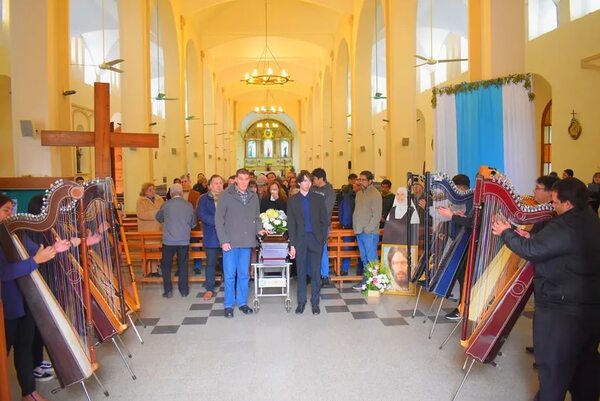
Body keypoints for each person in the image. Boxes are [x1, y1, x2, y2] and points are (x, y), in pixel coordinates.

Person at [492, 178, 600, 401]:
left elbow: (531, 251)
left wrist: (506, 232)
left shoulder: (565, 225)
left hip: (561, 308)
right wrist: (531, 237)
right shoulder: (589, 216)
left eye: (554, 202)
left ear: (567, 204)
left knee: (553, 366)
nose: (552, 206)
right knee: (585, 362)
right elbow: (559, 245)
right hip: (590, 304)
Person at [1, 194, 70, 401]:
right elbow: (3, 273)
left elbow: (36, 252)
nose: (11, 213)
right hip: (8, 303)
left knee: (24, 347)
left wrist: (55, 249)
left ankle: (29, 392)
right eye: (6, 210)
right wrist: (35, 261)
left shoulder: (13, 232)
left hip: (26, 298)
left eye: (11, 209)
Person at [215, 168, 266, 318]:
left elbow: (256, 217)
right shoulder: (226, 195)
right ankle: (229, 305)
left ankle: (242, 302)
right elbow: (219, 220)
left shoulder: (253, 196)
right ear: (236, 179)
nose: (244, 182)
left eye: (246, 179)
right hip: (230, 242)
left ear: (249, 180)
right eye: (241, 179)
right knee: (230, 275)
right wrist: (223, 240)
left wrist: (259, 230)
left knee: (244, 274)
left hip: (246, 241)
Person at [287, 170, 329, 315]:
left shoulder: (318, 198)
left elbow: (325, 221)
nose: (308, 183)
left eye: (309, 180)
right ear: (299, 183)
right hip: (300, 239)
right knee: (301, 271)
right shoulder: (292, 200)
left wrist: (322, 239)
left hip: (316, 239)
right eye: (305, 180)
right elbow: (291, 224)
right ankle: (301, 302)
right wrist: (292, 244)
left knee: (316, 272)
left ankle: (315, 302)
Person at [155, 183, 197, 298]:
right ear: (182, 193)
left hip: (168, 241)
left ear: (171, 193)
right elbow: (193, 223)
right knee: (183, 265)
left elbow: (159, 218)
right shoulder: (188, 205)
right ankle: (184, 290)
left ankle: (168, 290)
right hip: (183, 240)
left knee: (166, 265)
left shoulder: (166, 204)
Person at [352, 171, 382, 291]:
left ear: (370, 181)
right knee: (364, 258)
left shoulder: (375, 194)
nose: (361, 181)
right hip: (359, 231)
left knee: (371, 259)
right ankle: (366, 281)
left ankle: (375, 284)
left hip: (370, 233)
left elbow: (377, 215)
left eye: (364, 179)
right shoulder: (359, 194)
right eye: (360, 179)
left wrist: (368, 229)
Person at [197, 175, 224, 300]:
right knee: (211, 264)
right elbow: (202, 214)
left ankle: (231, 287)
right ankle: (209, 289)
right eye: (216, 183)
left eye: (220, 183)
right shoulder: (203, 199)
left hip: (226, 236)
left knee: (228, 263)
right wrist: (218, 222)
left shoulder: (227, 198)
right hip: (212, 236)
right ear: (210, 185)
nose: (218, 185)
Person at [310, 168, 335, 288]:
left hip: (322, 225)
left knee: (322, 248)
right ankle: (313, 274)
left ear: (320, 179)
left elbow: (326, 209)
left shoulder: (329, 191)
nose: (312, 180)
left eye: (314, 178)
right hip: (310, 224)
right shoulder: (312, 189)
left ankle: (324, 275)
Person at [136, 182, 164, 277]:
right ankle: (147, 271)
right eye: (150, 190)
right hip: (146, 229)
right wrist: (155, 213)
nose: (153, 191)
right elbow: (141, 214)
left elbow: (163, 211)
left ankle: (155, 270)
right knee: (147, 250)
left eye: (154, 189)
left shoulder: (159, 199)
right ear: (145, 191)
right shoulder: (140, 201)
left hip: (157, 228)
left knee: (156, 249)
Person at [338, 180, 363, 275]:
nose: (354, 186)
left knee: (361, 249)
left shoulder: (362, 197)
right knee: (347, 249)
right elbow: (342, 210)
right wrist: (344, 223)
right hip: (348, 227)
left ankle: (360, 270)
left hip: (360, 227)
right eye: (354, 185)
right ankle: (345, 269)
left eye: (356, 185)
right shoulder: (347, 197)